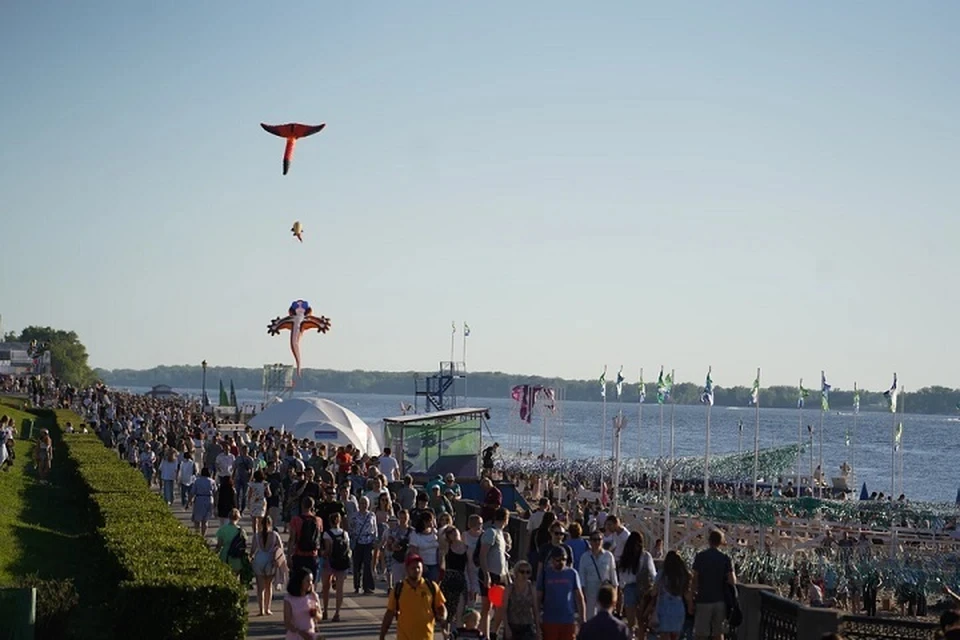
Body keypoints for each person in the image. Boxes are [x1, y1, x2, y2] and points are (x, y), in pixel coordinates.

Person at [379, 554, 448, 640]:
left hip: (426, 637)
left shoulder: (431, 587)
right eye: (413, 568)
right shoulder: (399, 589)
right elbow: (390, 613)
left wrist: (443, 619)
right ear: (407, 570)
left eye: (419, 567)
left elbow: (441, 607)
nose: (416, 570)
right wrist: (382, 635)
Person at [692, 530, 737, 640]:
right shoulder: (725, 558)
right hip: (720, 600)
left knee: (701, 634)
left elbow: (695, 579)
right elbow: (732, 581)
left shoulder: (700, 556)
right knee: (718, 633)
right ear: (721, 542)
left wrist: (692, 597)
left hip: (703, 599)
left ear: (709, 541)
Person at [539, 547, 586, 640]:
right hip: (550, 620)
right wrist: (537, 619)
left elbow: (579, 597)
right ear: (552, 559)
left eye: (564, 559)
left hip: (568, 620)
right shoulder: (545, 573)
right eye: (558, 560)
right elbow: (538, 597)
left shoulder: (572, 573)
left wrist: (582, 619)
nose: (561, 562)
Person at [577, 530, 617, 620]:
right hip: (590, 592)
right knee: (590, 618)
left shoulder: (608, 556)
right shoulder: (585, 557)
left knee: (605, 619)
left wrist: (615, 596)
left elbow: (613, 577)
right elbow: (582, 578)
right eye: (594, 540)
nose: (597, 542)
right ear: (590, 542)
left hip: (605, 592)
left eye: (599, 539)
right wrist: (582, 596)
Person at [284, 566, 321, 640]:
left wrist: (316, 614)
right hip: (295, 635)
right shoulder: (289, 599)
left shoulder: (313, 596)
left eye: (311, 580)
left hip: (310, 635)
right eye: (307, 581)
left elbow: (320, 617)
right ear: (300, 581)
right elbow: (287, 623)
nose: (310, 583)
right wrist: (300, 633)